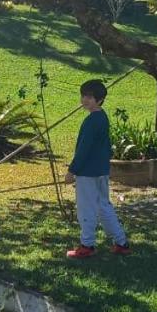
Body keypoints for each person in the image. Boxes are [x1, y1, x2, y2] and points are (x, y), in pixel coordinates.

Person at [64, 79, 130, 259]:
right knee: (103, 206)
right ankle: (121, 242)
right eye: (83, 96)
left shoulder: (92, 121)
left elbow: (84, 148)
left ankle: (87, 245)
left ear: (99, 100)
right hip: (101, 171)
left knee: (86, 208)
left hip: (87, 172)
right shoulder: (102, 117)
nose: (85, 100)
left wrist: (72, 171)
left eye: (90, 97)